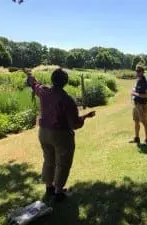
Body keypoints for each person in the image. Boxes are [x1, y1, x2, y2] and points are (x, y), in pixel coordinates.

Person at [26, 68, 96, 202]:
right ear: (65, 82)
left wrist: (31, 78)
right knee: (63, 163)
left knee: (49, 160)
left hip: (43, 132)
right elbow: (74, 124)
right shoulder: (67, 100)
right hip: (61, 135)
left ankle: (49, 187)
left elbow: (35, 86)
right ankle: (58, 192)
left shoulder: (44, 91)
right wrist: (85, 117)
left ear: (52, 79)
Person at [130, 65, 147, 145]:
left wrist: (135, 94)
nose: (137, 72)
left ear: (142, 72)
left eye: (139, 71)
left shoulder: (146, 82)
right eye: (136, 71)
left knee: (144, 122)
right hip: (136, 104)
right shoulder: (138, 80)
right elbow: (136, 90)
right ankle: (137, 138)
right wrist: (134, 92)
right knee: (136, 121)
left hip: (142, 105)